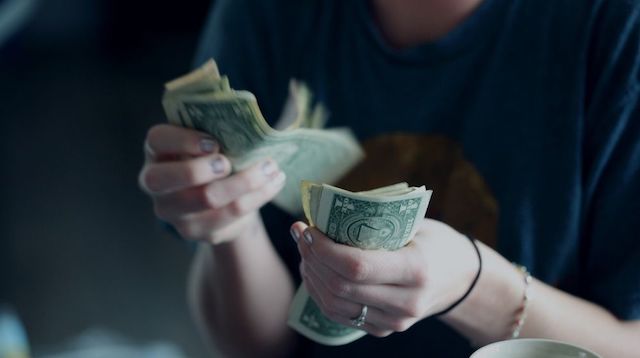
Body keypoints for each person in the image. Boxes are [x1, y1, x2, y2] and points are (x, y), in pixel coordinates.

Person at [138, 0, 640, 356]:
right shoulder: (268, 12)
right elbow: (258, 348)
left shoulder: (617, 27)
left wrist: (473, 287)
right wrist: (231, 228)